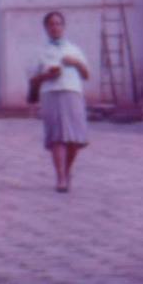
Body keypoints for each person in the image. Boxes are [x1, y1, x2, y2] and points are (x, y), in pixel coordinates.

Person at [30, 10, 91, 192]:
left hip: (72, 92)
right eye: (51, 24)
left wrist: (77, 63)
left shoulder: (74, 49)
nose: (55, 27)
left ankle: (67, 169)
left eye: (58, 24)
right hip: (51, 93)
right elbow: (33, 79)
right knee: (57, 137)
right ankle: (61, 177)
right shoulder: (41, 51)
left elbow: (86, 75)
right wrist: (47, 75)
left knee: (75, 139)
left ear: (63, 27)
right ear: (46, 28)